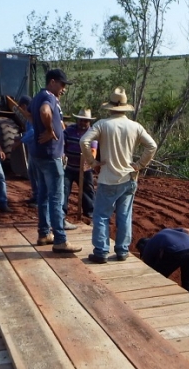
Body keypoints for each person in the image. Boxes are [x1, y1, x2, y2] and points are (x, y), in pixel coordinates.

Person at [80, 87, 157, 263]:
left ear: (111, 107)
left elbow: (83, 141)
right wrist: (139, 165)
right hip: (129, 177)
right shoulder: (135, 126)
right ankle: (122, 251)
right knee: (124, 215)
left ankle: (101, 251)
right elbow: (152, 146)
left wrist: (93, 163)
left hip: (108, 177)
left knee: (101, 216)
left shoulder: (102, 124)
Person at [30, 69, 82, 253]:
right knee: (56, 198)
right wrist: (50, 130)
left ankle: (44, 233)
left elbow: (34, 114)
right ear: (52, 82)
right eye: (62, 84)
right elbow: (45, 111)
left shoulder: (38, 96)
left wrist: (53, 125)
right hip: (51, 156)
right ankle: (60, 239)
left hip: (40, 154)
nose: (64, 89)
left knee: (43, 195)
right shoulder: (49, 97)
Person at [136, 228, 189, 294]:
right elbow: (188, 231)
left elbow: (152, 269)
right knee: (188, 280)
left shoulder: (147, 250)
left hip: (174, 251)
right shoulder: (164, 231)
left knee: (157, 278)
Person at [63, 108, 97, 222]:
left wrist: (90, 159)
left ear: (89, 122)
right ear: (78, 120)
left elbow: (93, 149)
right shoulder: (69, 130)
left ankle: (90, 212)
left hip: (85, 168)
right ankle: (62, 213)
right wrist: (62, 153)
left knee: (88, 190)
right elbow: (62, 142)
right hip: (69, 167)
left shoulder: (92, 132)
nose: (83, 123)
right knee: (64, 189)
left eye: (86, 121)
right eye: (81, 120)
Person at [15, 95, 38, 206]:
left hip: (37, 150)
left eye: (21, 108)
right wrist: (22, 136)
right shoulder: (29, 118)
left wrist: (20, 141)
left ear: (24, 106)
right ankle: (35, 196)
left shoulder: (33, 116)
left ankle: (39, 199)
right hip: (32, 149)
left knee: (36, 174)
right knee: (31, 173)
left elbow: (33, 132)